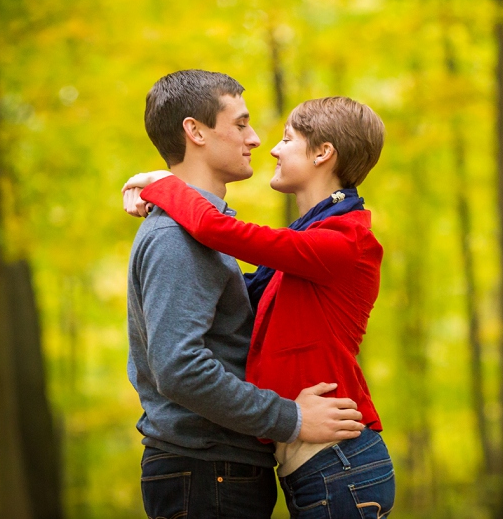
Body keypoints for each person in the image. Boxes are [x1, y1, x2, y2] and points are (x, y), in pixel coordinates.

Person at [123, 95, 395, 518]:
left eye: (288, 139)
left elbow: (219, 229)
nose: (271, 147)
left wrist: (162, 182)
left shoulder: (342, 242)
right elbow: (233, 296)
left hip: (339, 458)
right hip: (312, 460)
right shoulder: (307, 248)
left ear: (323, 153)